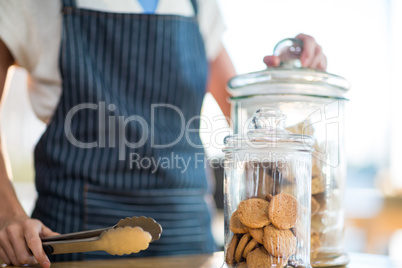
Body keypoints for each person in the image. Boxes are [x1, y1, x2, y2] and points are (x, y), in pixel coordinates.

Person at [0, 0, 327, 267]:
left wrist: (287, 76)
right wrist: (9, 215)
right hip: (78, 243)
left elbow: (246, 118)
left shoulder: (198, 7)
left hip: (191, 243)